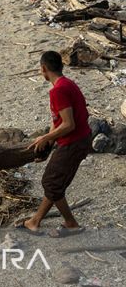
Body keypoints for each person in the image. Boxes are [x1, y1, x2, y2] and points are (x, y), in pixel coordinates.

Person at [19, 51, 92, 237]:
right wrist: (49, 140)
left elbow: (68, 124)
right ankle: (35, 222)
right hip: (77, 140)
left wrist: (43, 138)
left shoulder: (58, 90)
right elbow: (58, 120)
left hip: (74, 142)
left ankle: (71, 224)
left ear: (43, 68)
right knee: (55, 183)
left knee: (51, 182)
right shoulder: (66, 84)